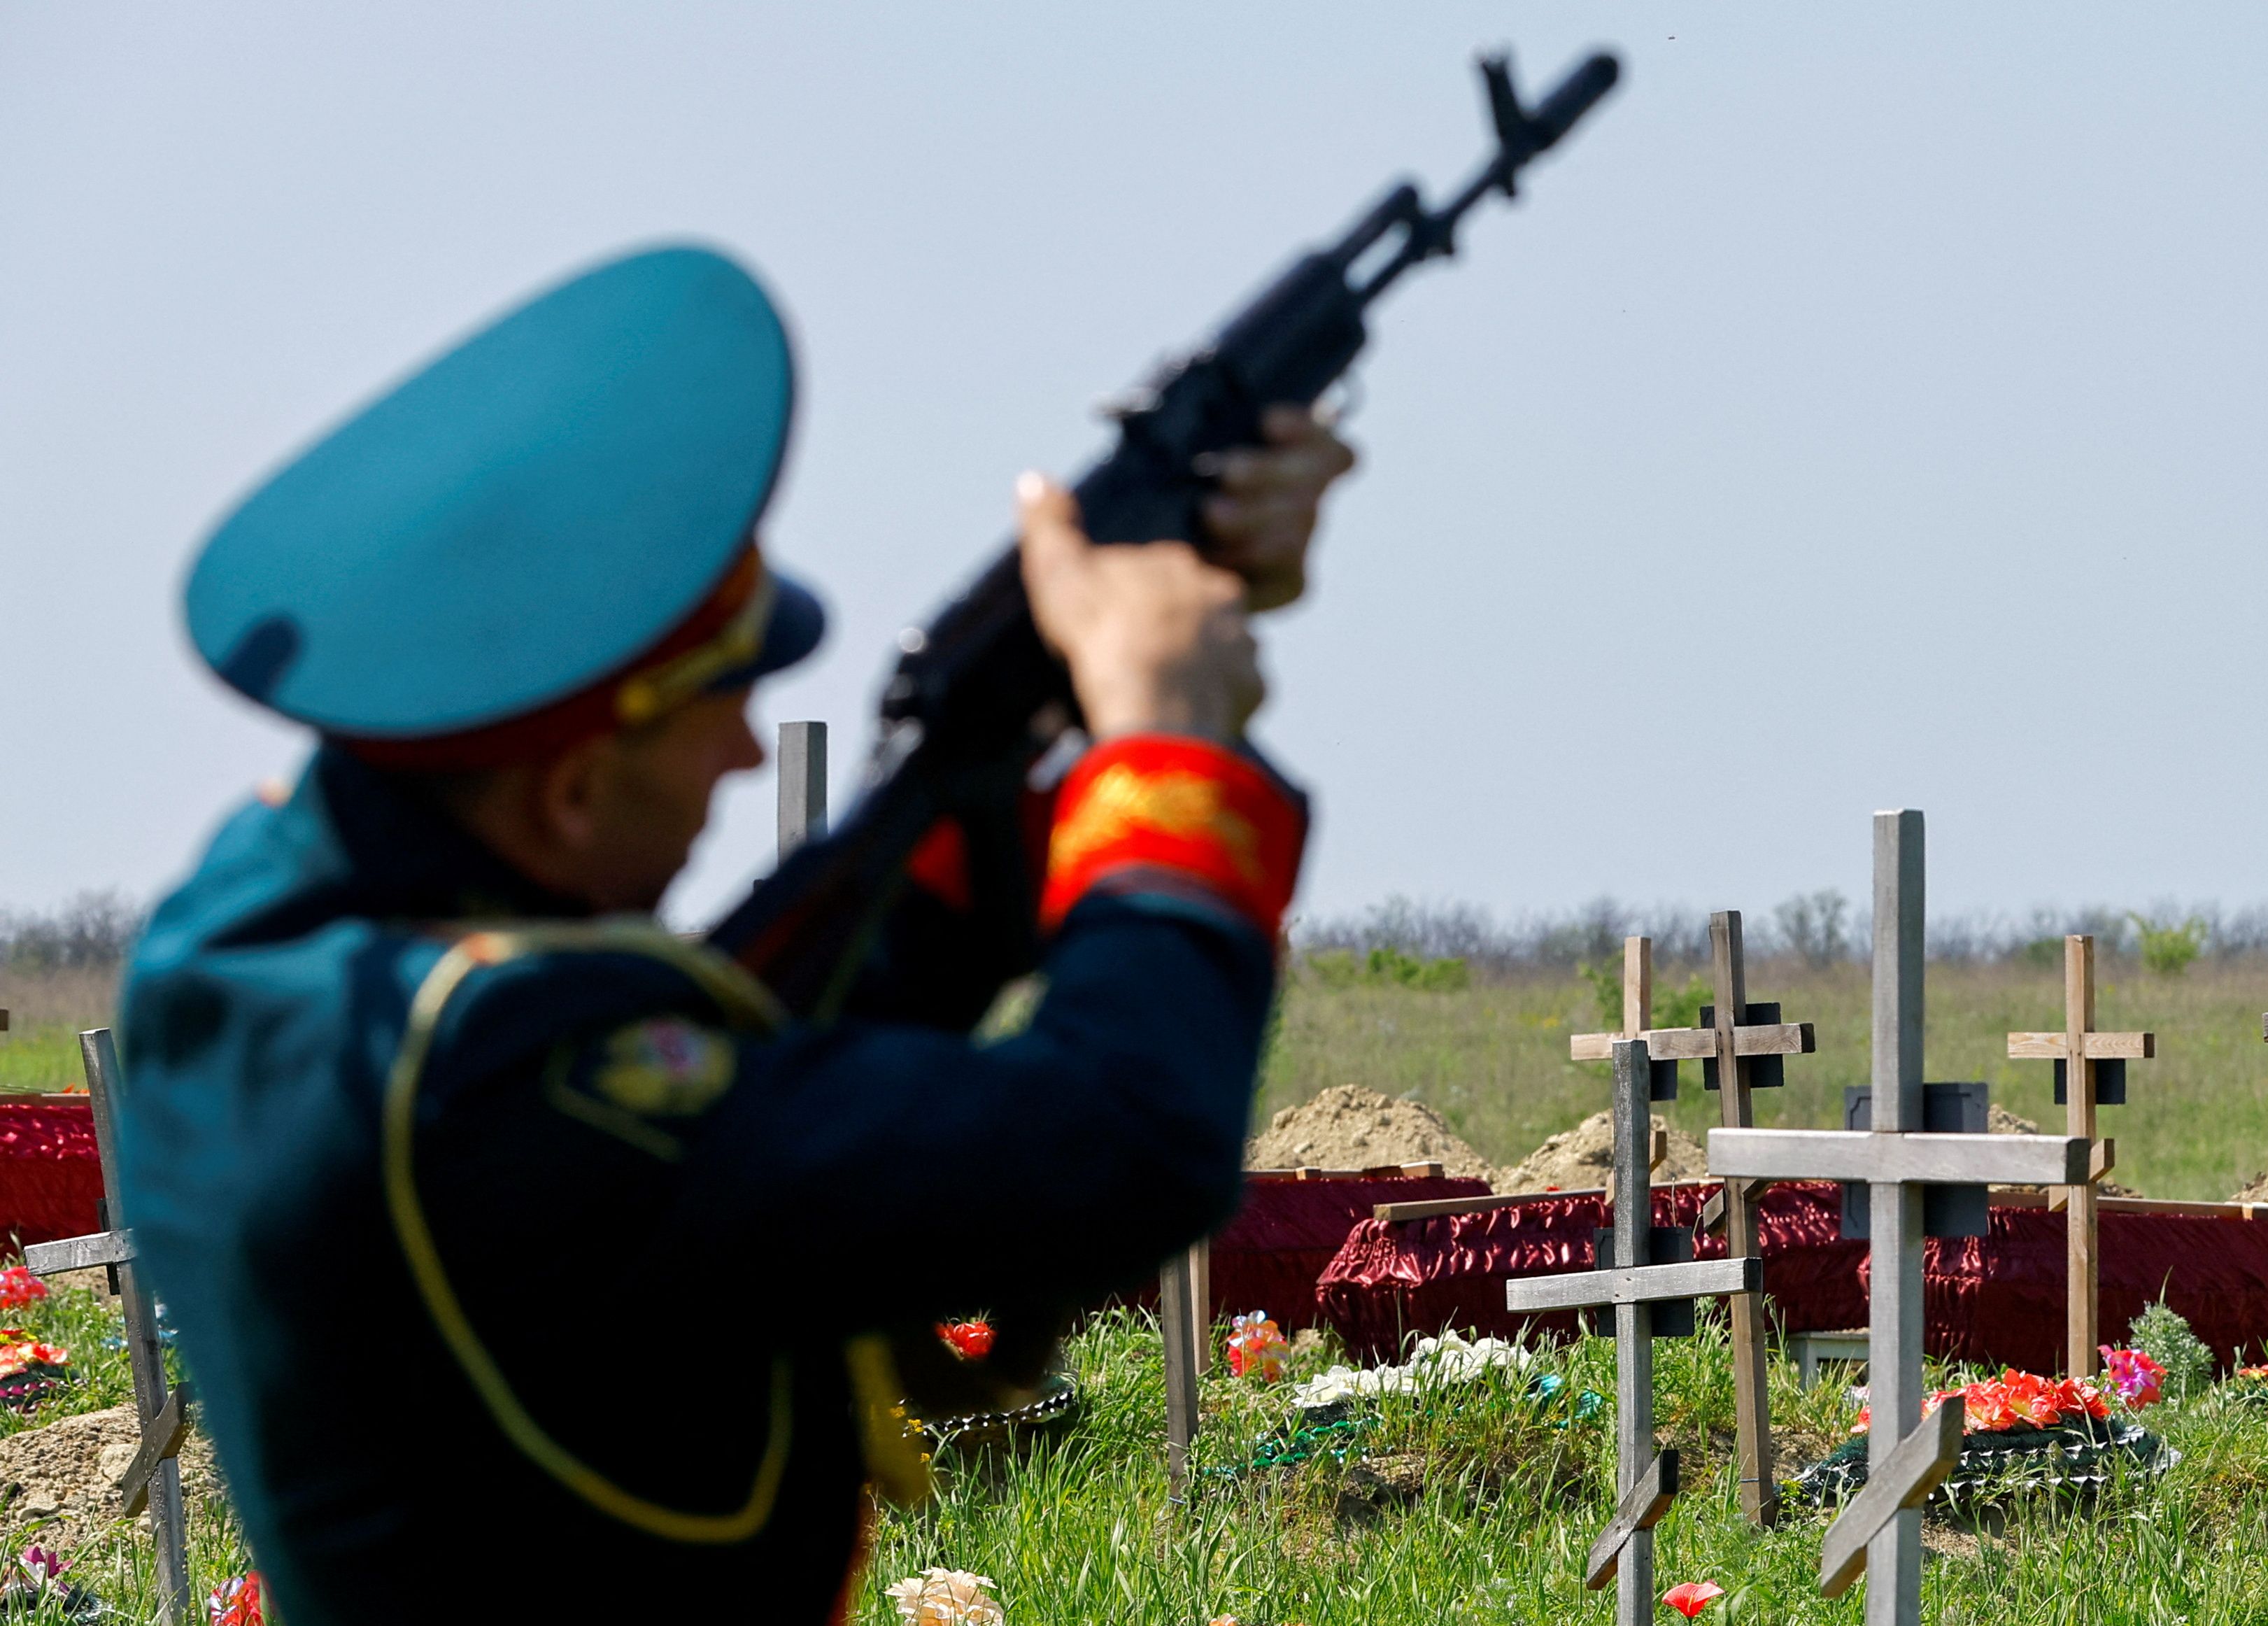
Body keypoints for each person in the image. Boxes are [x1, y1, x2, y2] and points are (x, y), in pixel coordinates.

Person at [117, 246, 1353, 1623]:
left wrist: (1044, 705)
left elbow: (774, 1015)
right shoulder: (503, 1086)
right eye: (714, 700)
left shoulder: (247, 957)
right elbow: (1120, 1143)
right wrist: (1167, 744)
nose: (749, 751)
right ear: (572, 790)